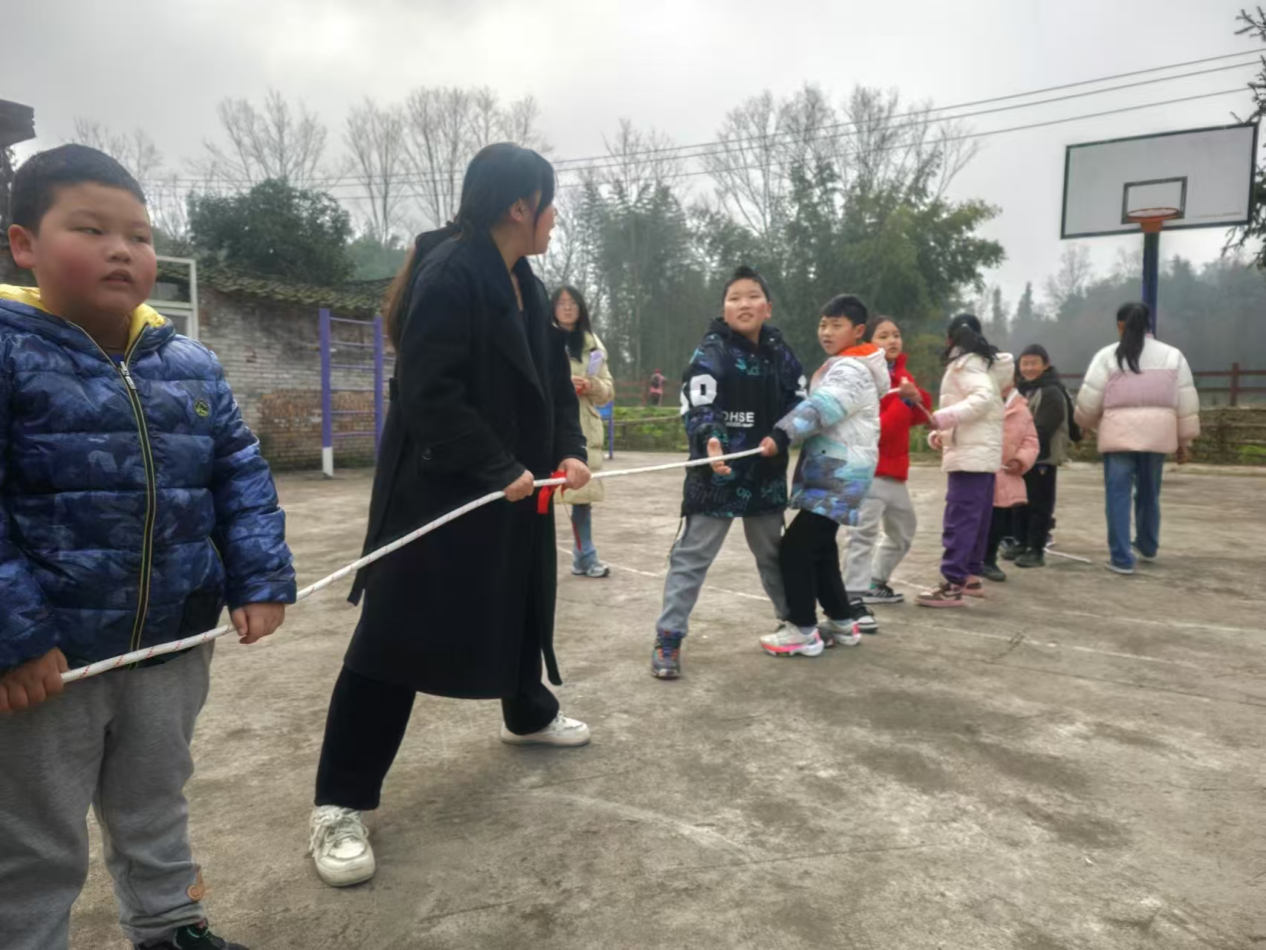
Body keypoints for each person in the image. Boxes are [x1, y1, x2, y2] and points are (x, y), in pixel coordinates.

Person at [0, 145, 295, 950]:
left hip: (171, 642)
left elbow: (239, 474)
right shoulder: (11, 353)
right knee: (34, 834)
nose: (122, 250)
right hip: (49, 666)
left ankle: (171, 926)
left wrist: (259, 575)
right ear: (24, 245)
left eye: (138, 234)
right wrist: (15, 638)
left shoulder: (190, 365)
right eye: (90, 229)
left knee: (157, 801)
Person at [309, 144, 593, 888]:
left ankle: (527, 714)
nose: (553, 219)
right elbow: (429, 395)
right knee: (395, 637)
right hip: (438, 491)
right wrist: (498, 467)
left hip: (516, 488)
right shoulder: (450, 274)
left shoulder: (525, 282)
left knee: (520, 601)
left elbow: (555, 387)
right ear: (520, 206)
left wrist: (569, 451)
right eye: (549, 203)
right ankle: (339, 802)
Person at [650, 265, 805, 679]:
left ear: (768, 307)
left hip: (765, 473)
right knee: (692, 556)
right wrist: (712, 440)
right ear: (724, 308)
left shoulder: (781, 353)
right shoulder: (711, 351)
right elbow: (700, 402)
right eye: (734, 298)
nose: (743, 304)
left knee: (772, 554)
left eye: (752, 296)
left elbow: (800, 402)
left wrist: (782, 434)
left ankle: (795, 622)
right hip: (715, 475)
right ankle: (668, 638)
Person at [758, 295, 888, 658]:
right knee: (822, 550)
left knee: (795, 549)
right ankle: (843, 621)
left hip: (839, 475)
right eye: (823, 325)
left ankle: (802, 630)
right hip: (836, 472)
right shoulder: (849, 364)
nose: (826, 332)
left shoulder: (852, 370)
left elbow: (822, 407)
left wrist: (782, 433)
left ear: (858, 330)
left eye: (836, 325)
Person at [1074, 302, 1200, 575]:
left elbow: (1089, 400)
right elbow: (1186, 403)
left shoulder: (1107, 356)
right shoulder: (1173, 356)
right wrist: (1184, 441)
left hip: (1118, 438)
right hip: (1157, 438)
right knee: (1149, 492)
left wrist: (1084, 425)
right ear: (1148, 324)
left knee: (1117, 496)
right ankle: (1147, 544)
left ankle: (1121, 559)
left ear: (1121, 325)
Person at [917, 314, 1014, 608]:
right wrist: (941, 433)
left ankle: (952, 583)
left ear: (950, 339)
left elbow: (981, 400)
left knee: (960, 520)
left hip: (970, 456)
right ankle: (970, 576)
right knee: (976, 519)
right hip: (980, 454)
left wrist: (941, 419)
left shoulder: (966, 364)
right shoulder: (983, 364)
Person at [845, 316, 933, 606]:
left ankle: (875, 581)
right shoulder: (864, 377)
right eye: (883, 336)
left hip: (894, 472)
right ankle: (851, 597)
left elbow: (917, 417)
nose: (892, 340)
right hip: (869, 471)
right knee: (861, 536)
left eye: (895, 334)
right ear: (868, 343)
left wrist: (916, 398)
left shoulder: (902, 375)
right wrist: (904, 401)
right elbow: (878, 430)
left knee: (903, 532)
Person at [552, 285, 616, 578]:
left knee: (582, 498)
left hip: (585, 427)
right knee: (538, 497)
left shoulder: (594, 345)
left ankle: (585, 557)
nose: (567, 308)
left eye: (572, 303)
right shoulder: (541, 337)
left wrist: (591, 385)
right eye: (561, 303)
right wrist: (561, 385)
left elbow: (608, 389)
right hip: (551, 423)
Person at [1004, 344, 1077, 568]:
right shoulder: (1021, 389)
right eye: (1024, 363)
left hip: (1043, 456)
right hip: (1022, 455)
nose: (1028, 368)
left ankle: (1036, 550)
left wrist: (1020, 448)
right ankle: (1021, 543)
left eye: (1034, 363)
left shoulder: (1051, 391)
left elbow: (1043, 430)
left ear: (1046, 365)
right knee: (1020, 502)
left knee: (1039, 504)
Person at [982, 381, 1040, 582]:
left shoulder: (1021, 409)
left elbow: (1031, 441)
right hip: (977, 470)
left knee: (998, 520)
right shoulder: (978, 401)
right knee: (972, 519)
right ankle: (965, 561)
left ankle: (989, 560)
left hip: (1005, 473)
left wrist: (1020, 460)